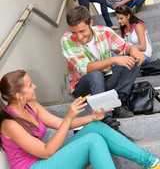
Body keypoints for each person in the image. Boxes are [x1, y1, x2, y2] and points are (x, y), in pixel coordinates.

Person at [0, 70, 160, 169]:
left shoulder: (32, 106)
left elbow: (59, 124)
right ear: (19, 95)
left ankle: (151, 162)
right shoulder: (10, 124)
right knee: (92, 140)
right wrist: (69, 116)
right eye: (30, 85)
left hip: (47, 160)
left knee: (96, 126)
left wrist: (92, 117)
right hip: (37, 166)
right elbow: (47, 152)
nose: (35, 86)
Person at [61, 5, 146, 133]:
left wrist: (133, 49)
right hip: (83, 88)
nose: (78, 37)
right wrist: (113, 59)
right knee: (95, 74)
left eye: (82, 31)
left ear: (90, 23)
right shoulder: (67, 40)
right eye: (74, 32)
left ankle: (119, 102)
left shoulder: (104, 32)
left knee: (134, 59)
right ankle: (106, 121)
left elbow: (124, 46)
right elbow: (86, 68)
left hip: (105, 80)